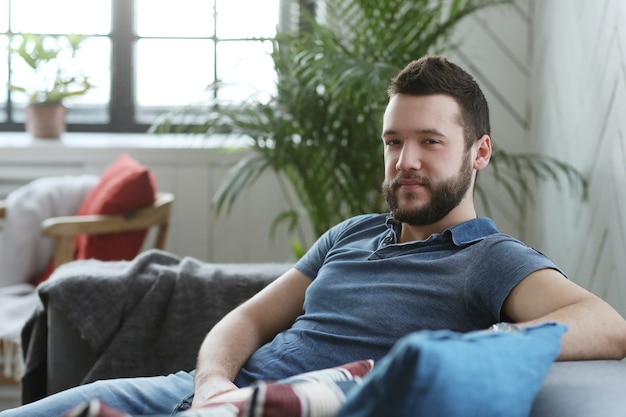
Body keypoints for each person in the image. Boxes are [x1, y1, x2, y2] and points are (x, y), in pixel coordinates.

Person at [2, 55, 625, 416]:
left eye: (430, 142)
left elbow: (607, 325)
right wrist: (213, 382)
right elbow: (243, 321)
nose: (406, 160)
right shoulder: (351, 234)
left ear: (479, 152)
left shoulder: (489, 258)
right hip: (197, 395)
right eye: (394, 142)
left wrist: (484, 342)